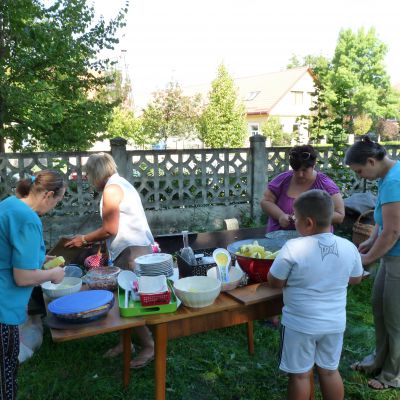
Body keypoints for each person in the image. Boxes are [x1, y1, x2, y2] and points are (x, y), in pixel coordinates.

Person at [268, 189, 363, 400]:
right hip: (334, 323)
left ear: (308, 222)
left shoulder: (293, 247)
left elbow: (274, 282)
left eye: (296, 219)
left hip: (299, 325)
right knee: (330, 371)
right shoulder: (348, 246)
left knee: (300, 376)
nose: (294, 223)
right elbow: (355, 278)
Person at [65, 153, 155, 368]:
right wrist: (105, 251)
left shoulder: (112, 190)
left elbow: (110, 229)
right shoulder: (120, 183)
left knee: (128, 302)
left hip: (132, 252)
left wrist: (83, 239)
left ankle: (149, 346)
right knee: (118, 300)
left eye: (88, 174)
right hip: (132, 248)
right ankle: (126, 344)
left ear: (97, 172)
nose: (87, 179)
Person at [0, 171, 66, 399]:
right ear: (48, 195)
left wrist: (41, 260)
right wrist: (53, 275)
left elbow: (10, 252)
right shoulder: (29, 219)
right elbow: (23, 277)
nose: (55, 206)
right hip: (4, 308)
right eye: (57, 201)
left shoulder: (9, 204)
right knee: (5, 373)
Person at [345, 135, 400, 390]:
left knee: (396, 319)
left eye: (359, 171)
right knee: (380, 309)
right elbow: (383, 220)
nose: (360, 176)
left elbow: (394, 232)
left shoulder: (394, 181)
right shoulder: (387, 175)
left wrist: (367, 258)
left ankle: (393, 374)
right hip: (390, 257)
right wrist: (371, 240)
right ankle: (378, 360)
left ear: (370, 161)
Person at [260, 144, 345, 233]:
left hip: (314, 241)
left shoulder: (326, 184)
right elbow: (266, 202)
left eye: (304, 170)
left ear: (314, 164)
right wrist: (280, 216)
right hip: (279, 238)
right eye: (296, 170)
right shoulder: (282, 180)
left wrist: (311, 218)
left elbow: (340, 215)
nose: (300, 174)